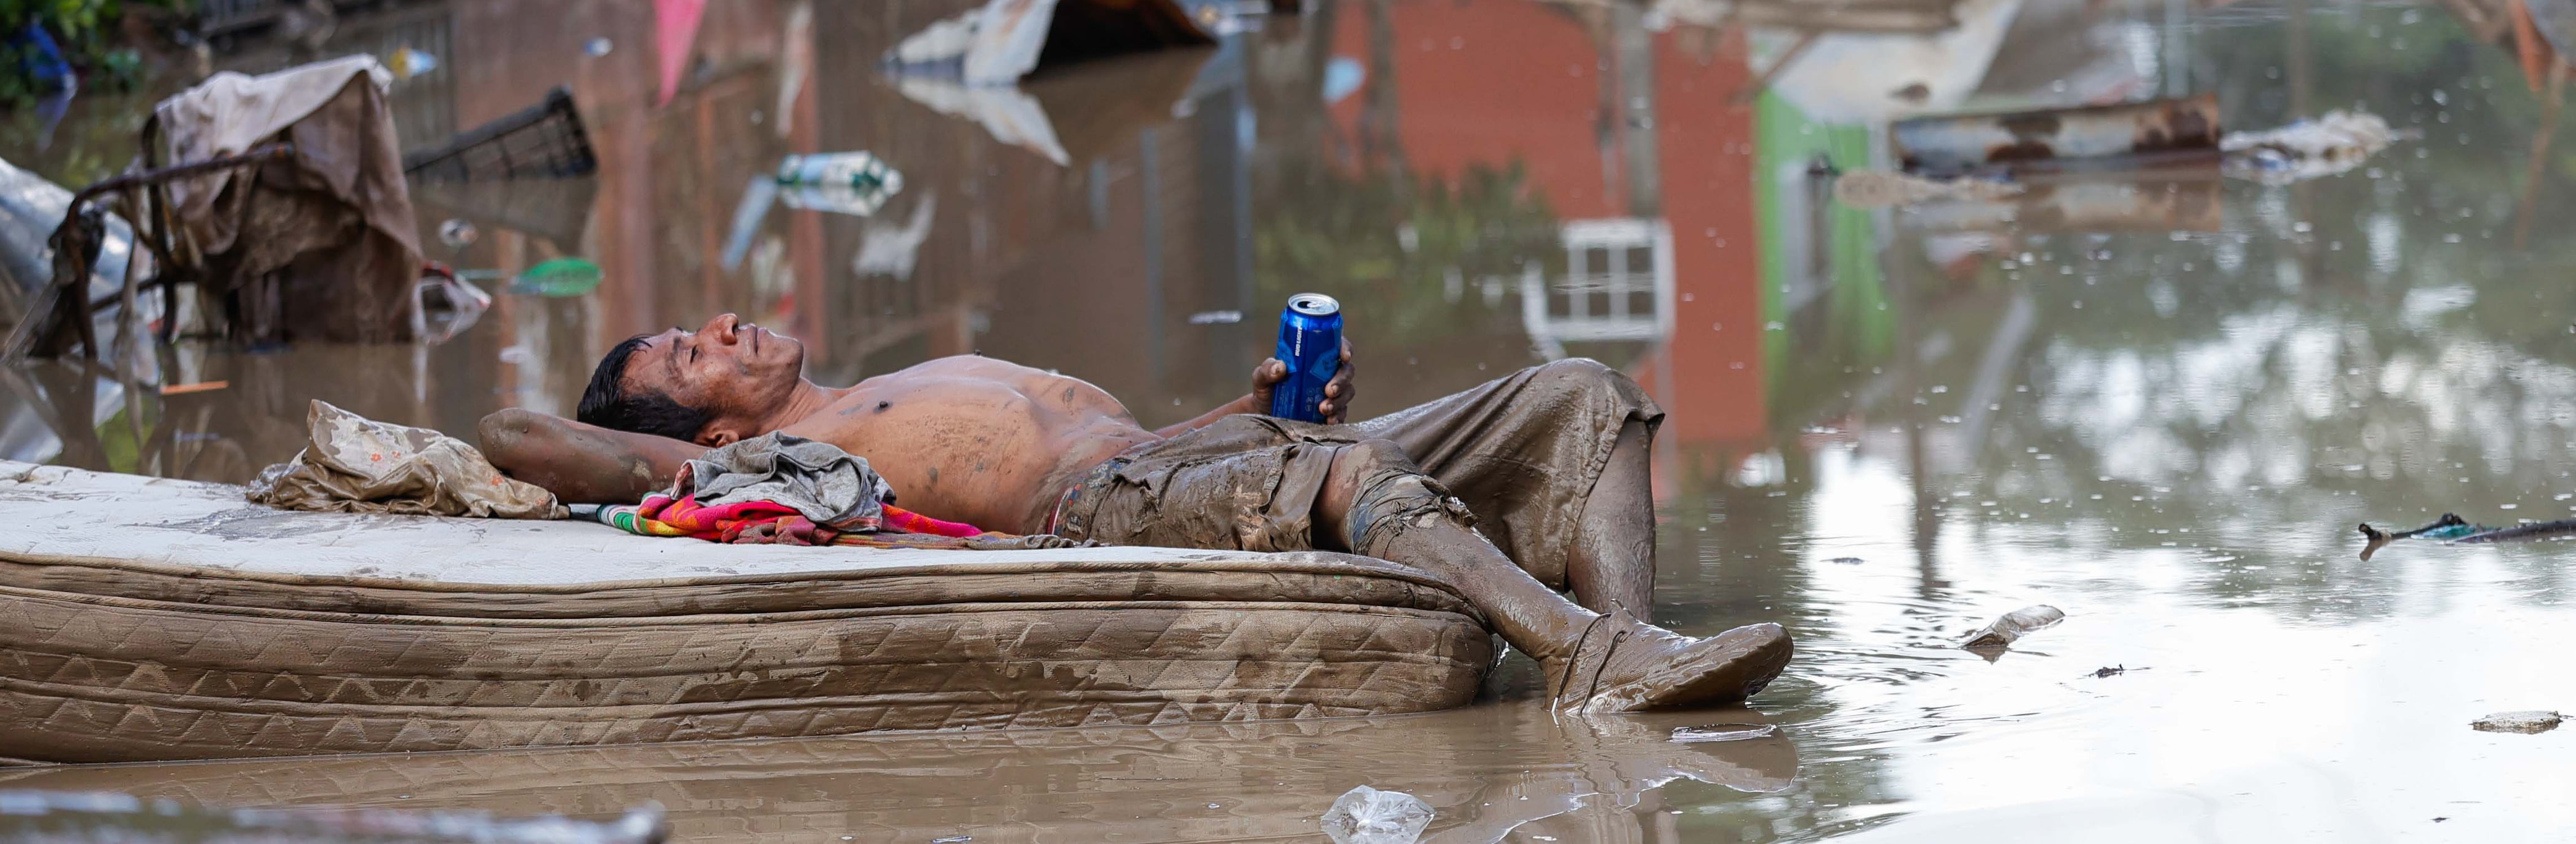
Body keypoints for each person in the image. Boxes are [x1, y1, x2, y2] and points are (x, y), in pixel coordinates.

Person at [481, 313, 1789, 712]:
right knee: (1334, 474)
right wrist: (644, 441)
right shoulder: (779, 456)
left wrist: (1255, 399)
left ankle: (1627, 647)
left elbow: (1151, 448)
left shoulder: (895, 374)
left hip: (1191, 456)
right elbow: (515, 436)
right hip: (1092, 514)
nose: (721, 325)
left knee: (1585, 391)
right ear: (708, 431)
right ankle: (1585, 652)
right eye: (692, 355)